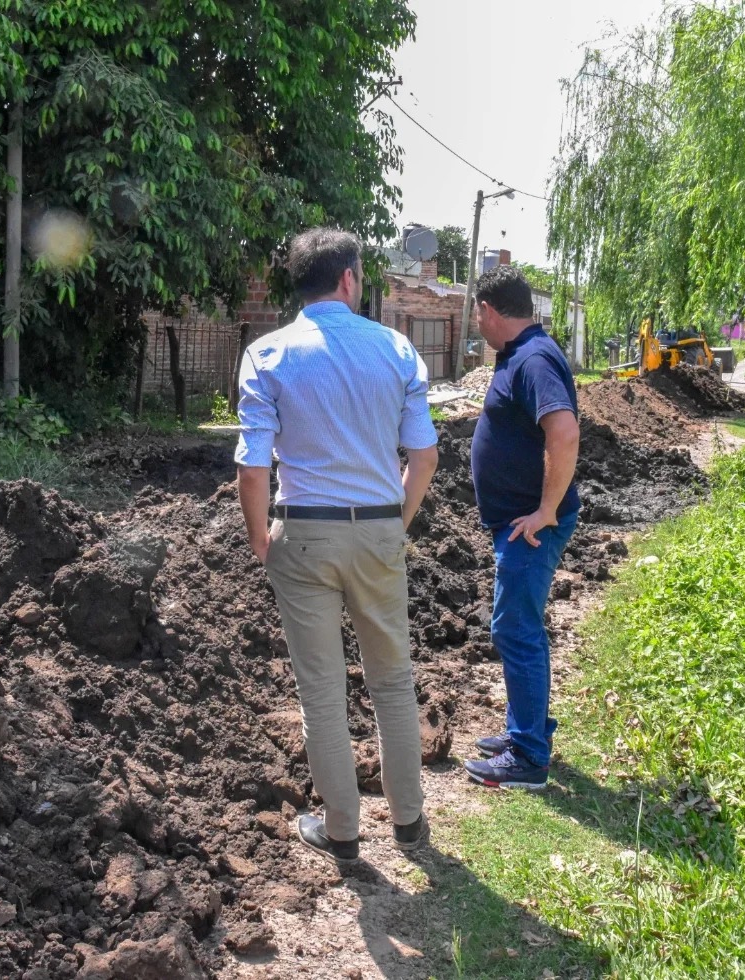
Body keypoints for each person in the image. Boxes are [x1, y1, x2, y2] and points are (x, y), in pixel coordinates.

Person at [234, 227, 439, 866]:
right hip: (378, 527)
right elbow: (425, 455)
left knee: (321, 690)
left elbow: (252, 467)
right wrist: (395, 522)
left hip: (303, 532)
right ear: (350, 278)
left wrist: (262, 539)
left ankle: (343, 832)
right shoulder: (398, 350)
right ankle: (410, 825)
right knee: (392, 679)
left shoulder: (267, 355)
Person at [464, 265, 580, 791]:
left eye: (475, 313)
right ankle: (523, 733)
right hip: (519, 522)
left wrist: (546, 509)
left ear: (490, 310)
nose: (475, 323)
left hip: (529, 527)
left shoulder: (532, 359)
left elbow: (564, 433)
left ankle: (529, 757)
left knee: (516, 629)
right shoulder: (524, 354)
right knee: (518, 626)